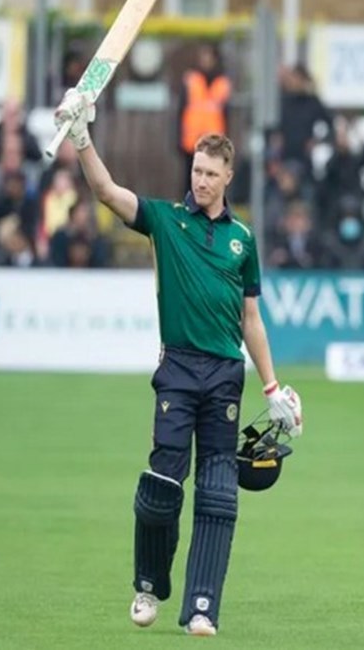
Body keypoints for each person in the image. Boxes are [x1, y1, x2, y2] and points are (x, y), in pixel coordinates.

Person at [53, 88, 303, 637]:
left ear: (228, 178)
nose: (201, 180)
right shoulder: (166, 221)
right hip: (178, 369)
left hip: (225, 375)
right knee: (162, 488)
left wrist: (272, 387)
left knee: (218, 495)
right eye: (196, 169)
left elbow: (251, 321)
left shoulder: (242, 240)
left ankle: (202, 607)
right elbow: (105, 191)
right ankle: (148, 587)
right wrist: (81, 135)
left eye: (212, 173)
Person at [177, 43, 231, 187]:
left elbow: (226, 115)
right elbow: (181, 110)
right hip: (192, 142)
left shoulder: (222, 83)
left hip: (215, 143)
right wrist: (178, 138)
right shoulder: (191, 79)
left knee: (211, 182)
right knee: (190, 181)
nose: (204, 60)